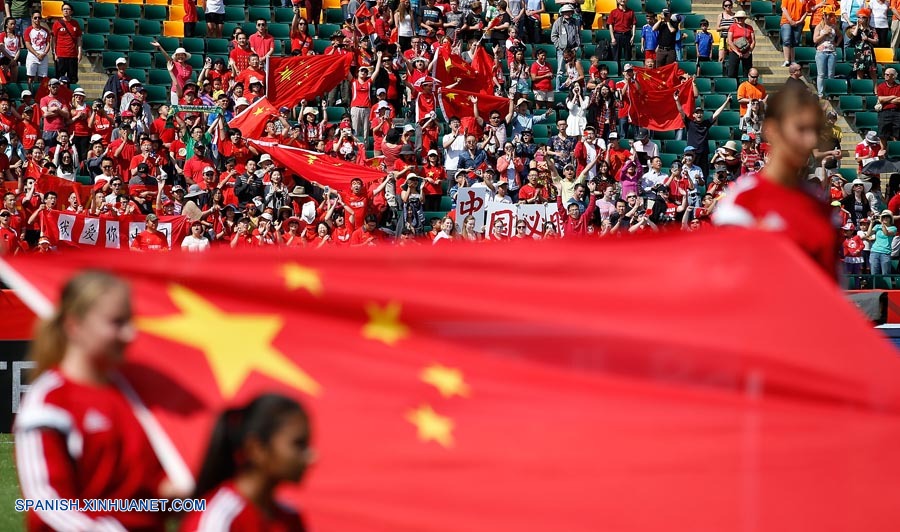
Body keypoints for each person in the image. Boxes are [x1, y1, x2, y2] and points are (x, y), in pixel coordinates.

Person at [15, 271, 172, 531]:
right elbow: (46, 504)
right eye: (117, 323)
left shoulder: (135, 393)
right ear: (74, 326)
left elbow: (151, 489)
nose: (130, 334)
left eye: (130, 321)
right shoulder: (49, 401)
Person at [714, 84, 838, 278]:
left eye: (814, 130)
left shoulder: (821, 209)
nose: (811, 140)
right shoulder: (743, 201)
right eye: (801, 129)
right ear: (772, 130)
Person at [181, 394, 312, 531]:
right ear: (257, 449)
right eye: (299, 444)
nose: (312, 456)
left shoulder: (291, 518)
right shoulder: (218, 520)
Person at [50, 2, 82, 83]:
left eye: (68, 9)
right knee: (59, 79)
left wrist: (79, 53)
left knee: (72, 79)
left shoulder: (75, 23)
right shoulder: (57, 23)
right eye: (64, 9)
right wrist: (54, 53)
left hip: (72, 55)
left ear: (71, 12)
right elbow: (53, 40)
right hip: (61, 55)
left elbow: (79, 39)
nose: (66, 11)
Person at [549, 5, 580, 86]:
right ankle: (558, 88)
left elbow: (579, 35)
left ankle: (571, 87)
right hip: (562, 50)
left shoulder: (576, 22)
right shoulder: (558, 22)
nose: (567, 13)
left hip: (572, 49)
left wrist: (576, 47)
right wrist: (558, 46)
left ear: (572, 12)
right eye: (565, 12)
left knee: (573, 70)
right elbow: (553, 36)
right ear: (562, 13)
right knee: (560, 70)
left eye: (569, 11)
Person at [814, 8, 841, 97]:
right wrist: (824, 34)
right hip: (821, 52)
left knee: (831, 74)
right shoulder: (819, 26)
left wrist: (836, 43)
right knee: (821, 74)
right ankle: (820, 93)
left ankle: (830, 93)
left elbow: (840, 36)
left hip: (832, 52)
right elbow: (815, 40)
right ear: (824, 16)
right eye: (828, 15)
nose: (830, 17)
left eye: (831, 15)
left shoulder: (834, 26)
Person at [866, 209, 897, 287]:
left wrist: (882, 224)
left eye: (887, 217)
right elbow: (868, 234)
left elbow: (886, 233)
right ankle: (874, 291)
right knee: (874, 274)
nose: (885, 218)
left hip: (885, 253)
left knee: (885, 274)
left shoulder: (893, 228)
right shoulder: (877, 226)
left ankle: (886, 291)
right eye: (884, 217)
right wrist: (872, 222)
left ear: (890, 219)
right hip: (874, 252)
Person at [725, 11, 755, 80]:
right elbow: (729, 41)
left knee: (747, 72)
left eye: (741, 18)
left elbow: (753, 41)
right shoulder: (732, 27)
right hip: (734, 51)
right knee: (732, 72)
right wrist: (737, 52)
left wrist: (749, 52)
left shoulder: (749, 27)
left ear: (744, 19)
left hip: (747, 51)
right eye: (738, 18)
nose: (739, 19)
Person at [876, 68, 900, 150]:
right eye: (885, 74)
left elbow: (899, 100)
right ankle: (883, 153)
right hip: (884, 112)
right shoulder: (881, 86)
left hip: (897, 112)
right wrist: (893, 97)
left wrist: (887, 99)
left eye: (887, 74)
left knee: (897, 134)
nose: (885, 76)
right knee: (883, 134)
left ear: (893, 76)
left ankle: (895, 152)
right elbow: (881, 99)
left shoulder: (899, 87)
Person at [607, 0, 636, 66]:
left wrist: (633, 35)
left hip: (627, 35)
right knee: (616, 56)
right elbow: (610, 25)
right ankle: (618, 72)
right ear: (617, 1)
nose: (623, 0)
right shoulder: (613, 12)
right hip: (617, 35)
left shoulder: (631, 12)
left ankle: (627, 73)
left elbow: (634, 24)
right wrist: (612, 38)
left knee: (628, 56)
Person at [781, 0, 808, 67]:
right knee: (786, 39)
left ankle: (793, 60)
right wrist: (790, 20)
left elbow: (806, 11)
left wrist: (800, 21)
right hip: (786, 21)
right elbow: (784, 8)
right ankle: (787, 60)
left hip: (799, 22)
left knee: (795, 42)